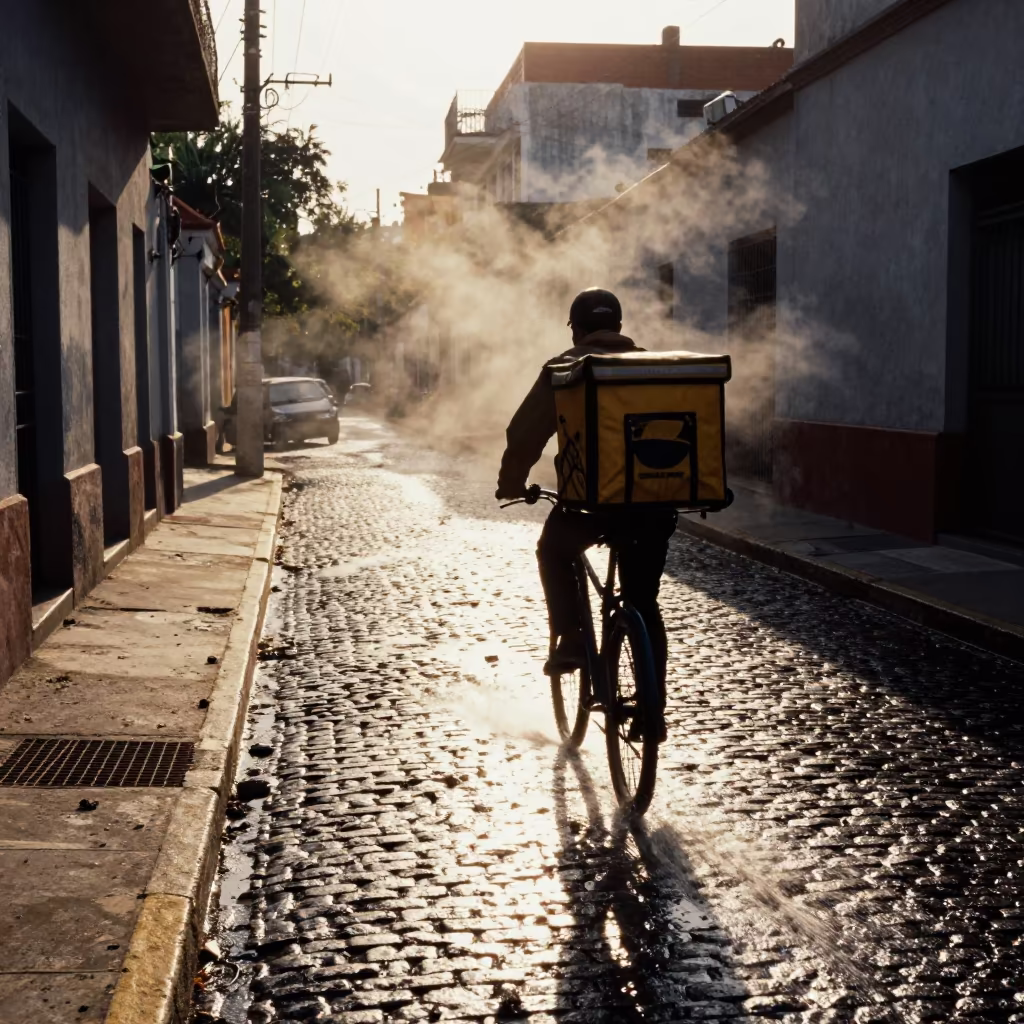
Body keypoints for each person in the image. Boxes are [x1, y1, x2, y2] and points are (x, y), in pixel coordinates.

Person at [495, 288, 677, 713]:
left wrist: (512, 483)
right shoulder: (656, 368)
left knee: (553, 552)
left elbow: (524, 435)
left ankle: (572, 638)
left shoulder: (564, 368)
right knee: (644, 602)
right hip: (653, 505)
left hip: (588, 507)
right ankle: (654, 710)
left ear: (576, 329)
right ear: (618, 327)